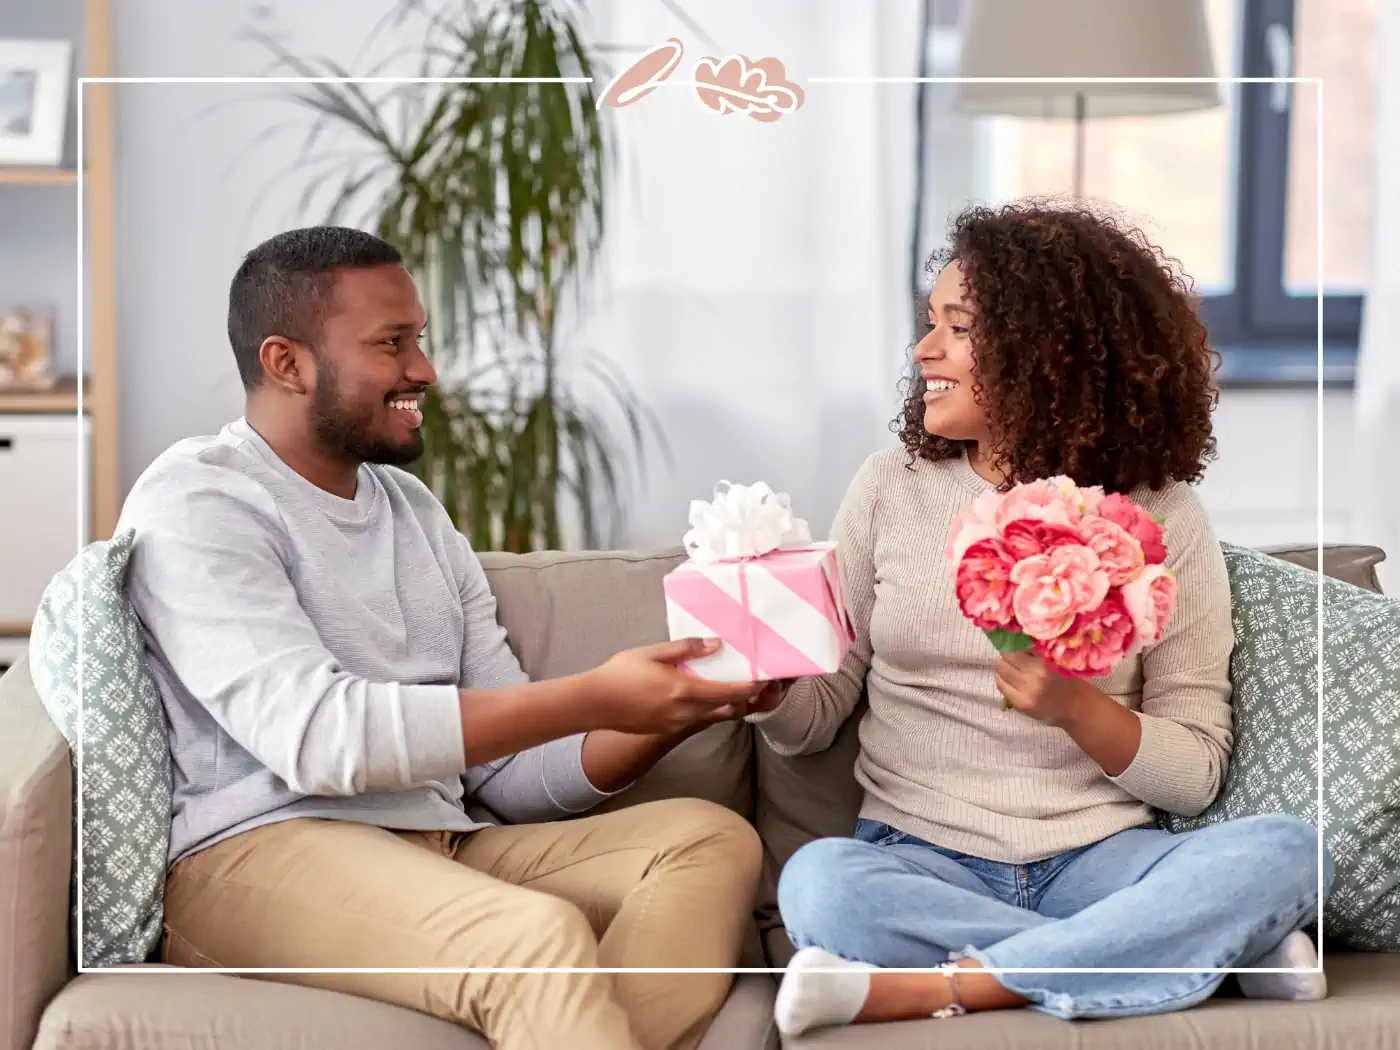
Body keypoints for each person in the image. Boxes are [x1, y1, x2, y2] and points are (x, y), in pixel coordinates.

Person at [117, 226, 767, 1050]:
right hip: (256, 854)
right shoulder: (200, 501)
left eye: (418, 340)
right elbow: (322, 740)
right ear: (287, 362)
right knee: (533, 942)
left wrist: (660, 716)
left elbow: (510, 777)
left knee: (708, 840)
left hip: (443, 845)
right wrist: (594, 693)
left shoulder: (415, 514)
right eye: (392, 344)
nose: (424, 370)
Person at [743, 201, 1332, 1037]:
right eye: (927, 324)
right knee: (819, 886)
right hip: (916, 859)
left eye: (958, 327)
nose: (924, 351)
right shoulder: (889, 488)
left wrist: (1077, 708)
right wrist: (769, 687)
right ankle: (1190, 958)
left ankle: (953, 985)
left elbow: (1195, 772)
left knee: (1287, 852)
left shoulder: (1163, 517)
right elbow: (817, 716)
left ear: (1049, 351)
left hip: (1105, 861)